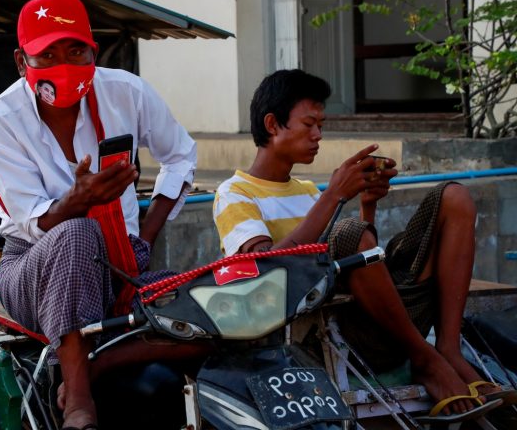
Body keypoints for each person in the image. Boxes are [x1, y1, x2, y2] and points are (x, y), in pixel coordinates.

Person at [212, 69, 509, 417]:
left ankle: (448, 348)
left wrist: (368, 204)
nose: (318, 135)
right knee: (349, 231)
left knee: (455, 197)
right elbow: (267, 268)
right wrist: (334, 196)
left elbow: (359, 260)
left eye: (321, 125)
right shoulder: (234, 193)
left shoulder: (308, 191)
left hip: (374, 314)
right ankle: (426, 358)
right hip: (323, 327)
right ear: (273, 125)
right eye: (309, 124)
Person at [0, 0, 199, 429]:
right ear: (22, 62)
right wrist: (80, 201)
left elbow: (181, 157)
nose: (65, 63)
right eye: (48, 54)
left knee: (209, 301)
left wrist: (145, 240)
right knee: (77, 233)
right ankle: (79, 402)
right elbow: (35, 223)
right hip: (31, 270)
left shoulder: (126, 92)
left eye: (76, 50)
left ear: (93, 50)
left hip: (122, 264)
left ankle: (98, 365)